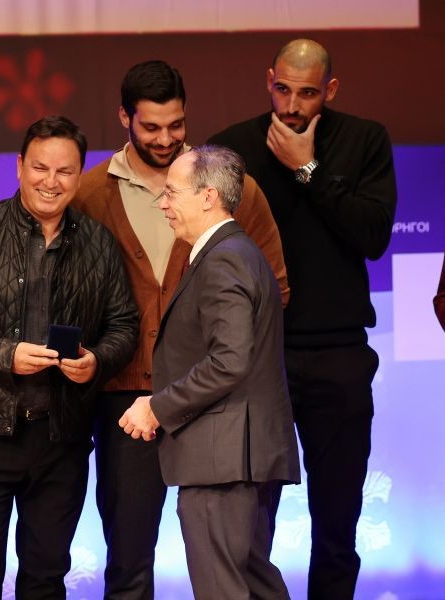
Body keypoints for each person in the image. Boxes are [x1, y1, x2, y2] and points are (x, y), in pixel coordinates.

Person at [71, 60, 288, 599]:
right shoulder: (92, 193)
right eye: (152, 126)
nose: (163, 202)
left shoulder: (228, 237)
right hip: (140, 402)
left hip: (216, 427)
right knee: (235, 574)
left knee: (226, 577)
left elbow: (237, 347)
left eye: (177, 125)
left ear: (208, 197)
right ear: (125, 118)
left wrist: (169, 399)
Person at [0, 115, 138, 599]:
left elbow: (124, 326)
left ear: (79, 175)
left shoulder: (99, 242)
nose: (51, 182)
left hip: (61, 439)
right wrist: (5, 355)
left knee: (45, 578)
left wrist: (97, 361)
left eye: (65, 171)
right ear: (19, 166)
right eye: (40, 168)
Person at [209, 39, 397, 598]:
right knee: (249, 520)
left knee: (337, 520)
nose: (292, 106)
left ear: (330, 90)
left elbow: (372, 236)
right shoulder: (234, 148)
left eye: (308, 93)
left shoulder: (365, 139)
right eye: (283, 89)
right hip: (256, 356)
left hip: (339, 354)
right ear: (268, 79)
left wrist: (308, 169)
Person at [120, 145, 300, 599]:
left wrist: (157, 407)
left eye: (172, 193)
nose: (163, 204)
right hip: (240, 456)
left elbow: (229, 360)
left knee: (223, 588)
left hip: (222, 461)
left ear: (208, 197)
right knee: (254, 584)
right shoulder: (235, 252)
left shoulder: (224, 258)